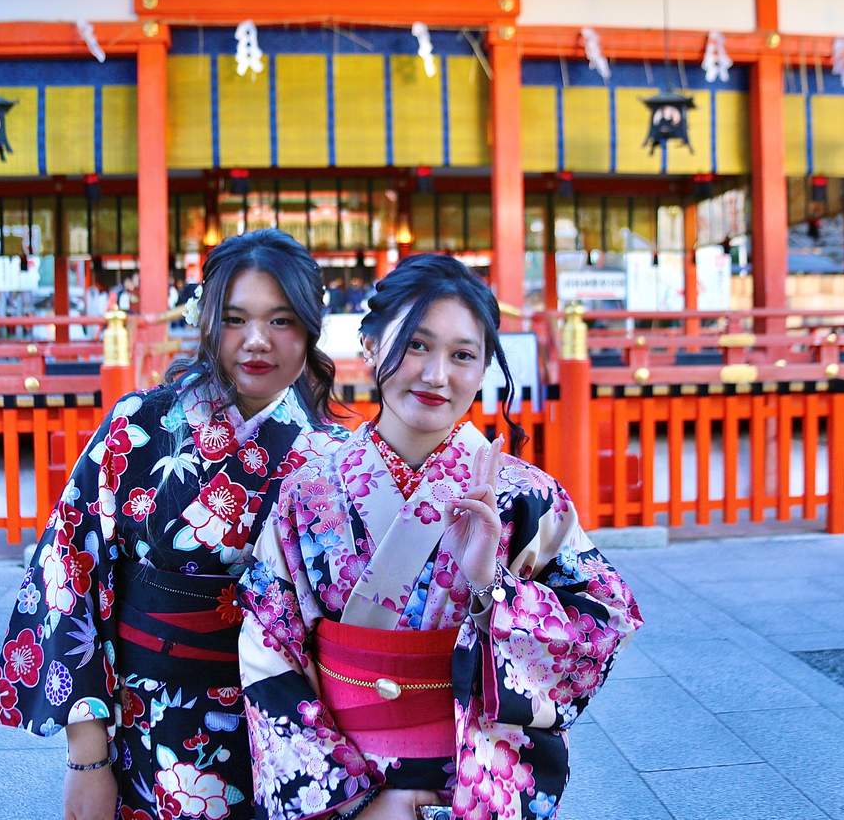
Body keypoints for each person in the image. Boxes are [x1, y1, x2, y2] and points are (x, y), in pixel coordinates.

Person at [238, 253, 643, 820]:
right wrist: (353, 801)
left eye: (462, 356)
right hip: (345, 783)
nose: (436, 375)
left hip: (474, 776)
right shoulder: (309, 491)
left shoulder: (523, 495)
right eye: (417, 345)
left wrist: (492, 585)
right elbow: (268, 645)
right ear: (372, 346)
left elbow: (603, 622)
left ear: (482, 371)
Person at [0, 229, 348, 820]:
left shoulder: (337, 458)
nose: (256, 340)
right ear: (206, 322)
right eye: (234, 319)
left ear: (310, 328)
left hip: (292, 737)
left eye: (281, 320)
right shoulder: (139, 426)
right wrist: (87, 759)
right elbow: (66, 574)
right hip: (147, 725)